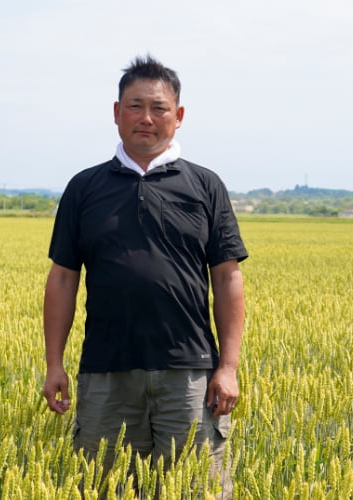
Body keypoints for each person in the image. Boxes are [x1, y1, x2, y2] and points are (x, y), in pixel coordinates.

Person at [42, 55, 248, 498]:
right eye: (135, 106)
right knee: (102, 488)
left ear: (179, 116)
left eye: (158, 107)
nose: (146, 119)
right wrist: (54, 362)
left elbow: (228, 278)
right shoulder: (85, 187)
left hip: (189, 372)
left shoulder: (205, 186)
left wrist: (227, 367)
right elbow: (62, 278)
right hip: (105, 371)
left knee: (198, 489)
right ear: (116, 113)